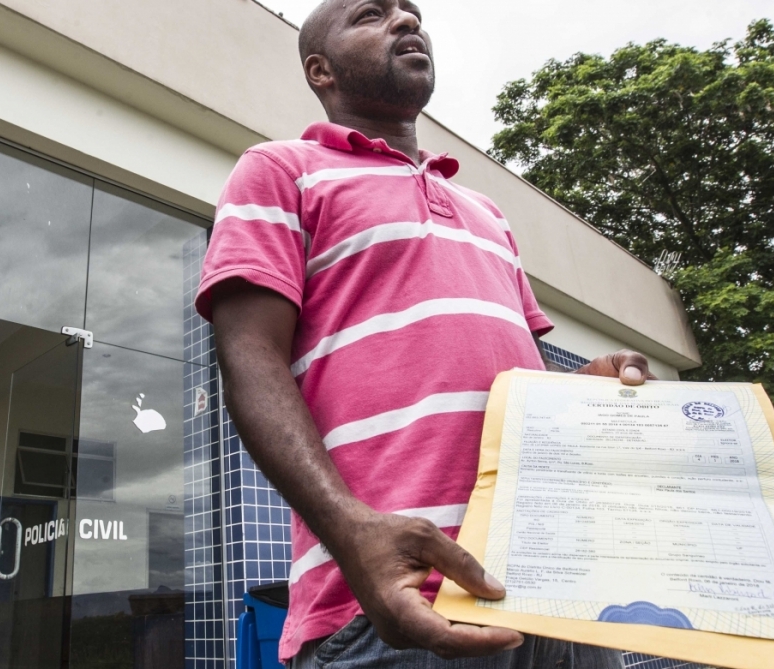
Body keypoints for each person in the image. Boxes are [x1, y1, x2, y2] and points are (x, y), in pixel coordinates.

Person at [194, 1, 650, 667]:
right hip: (394, 599)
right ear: (320, 69)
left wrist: (584, 393)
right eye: (373, 14)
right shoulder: (281, 169)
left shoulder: (487, 213)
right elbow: (248, 356)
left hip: (554, 597)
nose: (407, 21)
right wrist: (352, 534)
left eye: (412, 12)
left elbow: (515, 388)